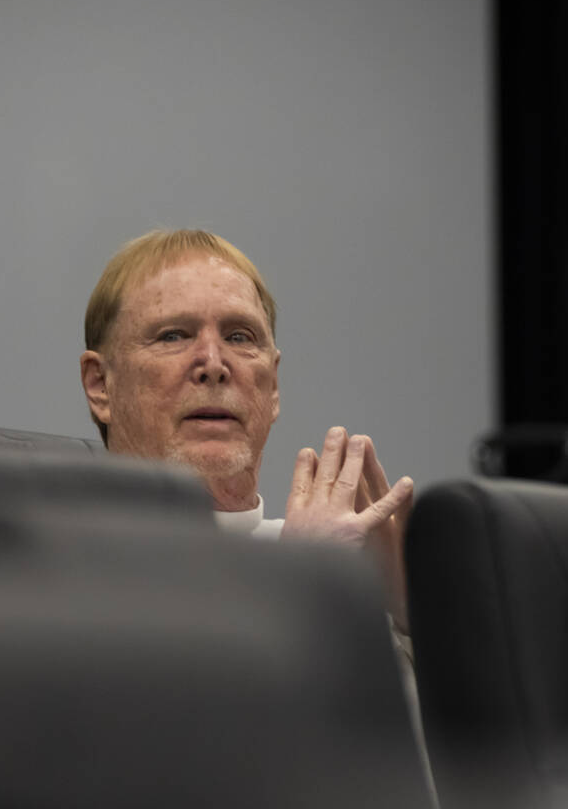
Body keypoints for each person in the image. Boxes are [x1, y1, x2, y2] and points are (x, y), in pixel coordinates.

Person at [79, 228, 415, 632]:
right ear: (100, 385)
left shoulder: (340, 561)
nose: (214, 363)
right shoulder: (51, 574)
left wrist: (417, 622)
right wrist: (298, 584)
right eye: (173, 335)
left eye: (240, 336)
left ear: (272, 387)